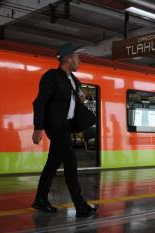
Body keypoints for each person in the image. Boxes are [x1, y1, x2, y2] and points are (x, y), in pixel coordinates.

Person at [31, 42, 96, 218]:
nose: (79, 61)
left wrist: (80, 99)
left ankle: (40, 199)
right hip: (56, 126)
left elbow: (72, 102)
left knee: (52, 165)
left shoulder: (74, 81)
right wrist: (38, 127)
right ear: (68, 58)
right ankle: (80, 205)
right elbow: (40, 102)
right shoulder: (52, 76)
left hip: (66, 127)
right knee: (70, 165)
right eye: (77, 57)